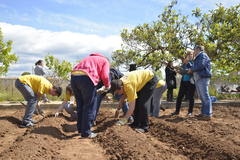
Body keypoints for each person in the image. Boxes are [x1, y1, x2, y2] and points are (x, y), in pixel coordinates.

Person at [71, 53, 111, 138]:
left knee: (80, 105)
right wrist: (107, 86)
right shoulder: (105, 61)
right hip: (87, 78)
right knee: (89, 106)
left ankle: (80, 129)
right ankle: (86, 133)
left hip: (74, 78)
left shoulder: (88, 58)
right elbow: (105, 75)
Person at [188, 45, 212, 120]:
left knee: (205, 96)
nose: (193, 52)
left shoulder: (203, 55)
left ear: (198, 49)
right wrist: (191, 69)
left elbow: (201, 65)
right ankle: (203, 113)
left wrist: (192, 69)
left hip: (203, 78)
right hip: (199, 78)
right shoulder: (198, 57)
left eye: (194, 50)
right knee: (202, 97)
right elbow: (197, 66)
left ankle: (207, 114)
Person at [171, 50, 196, 116]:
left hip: (191, 82)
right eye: (188, 54)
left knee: (191, 97)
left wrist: (184, 71)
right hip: (183, 82)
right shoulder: (184, 63)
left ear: (193, 55)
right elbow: (180, 71)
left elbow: (190, 71)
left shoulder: (194, 63)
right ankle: (177, 111)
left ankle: (190, 112)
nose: (190, 55)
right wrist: (184, 70)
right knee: (179, 97)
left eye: (191, 54)